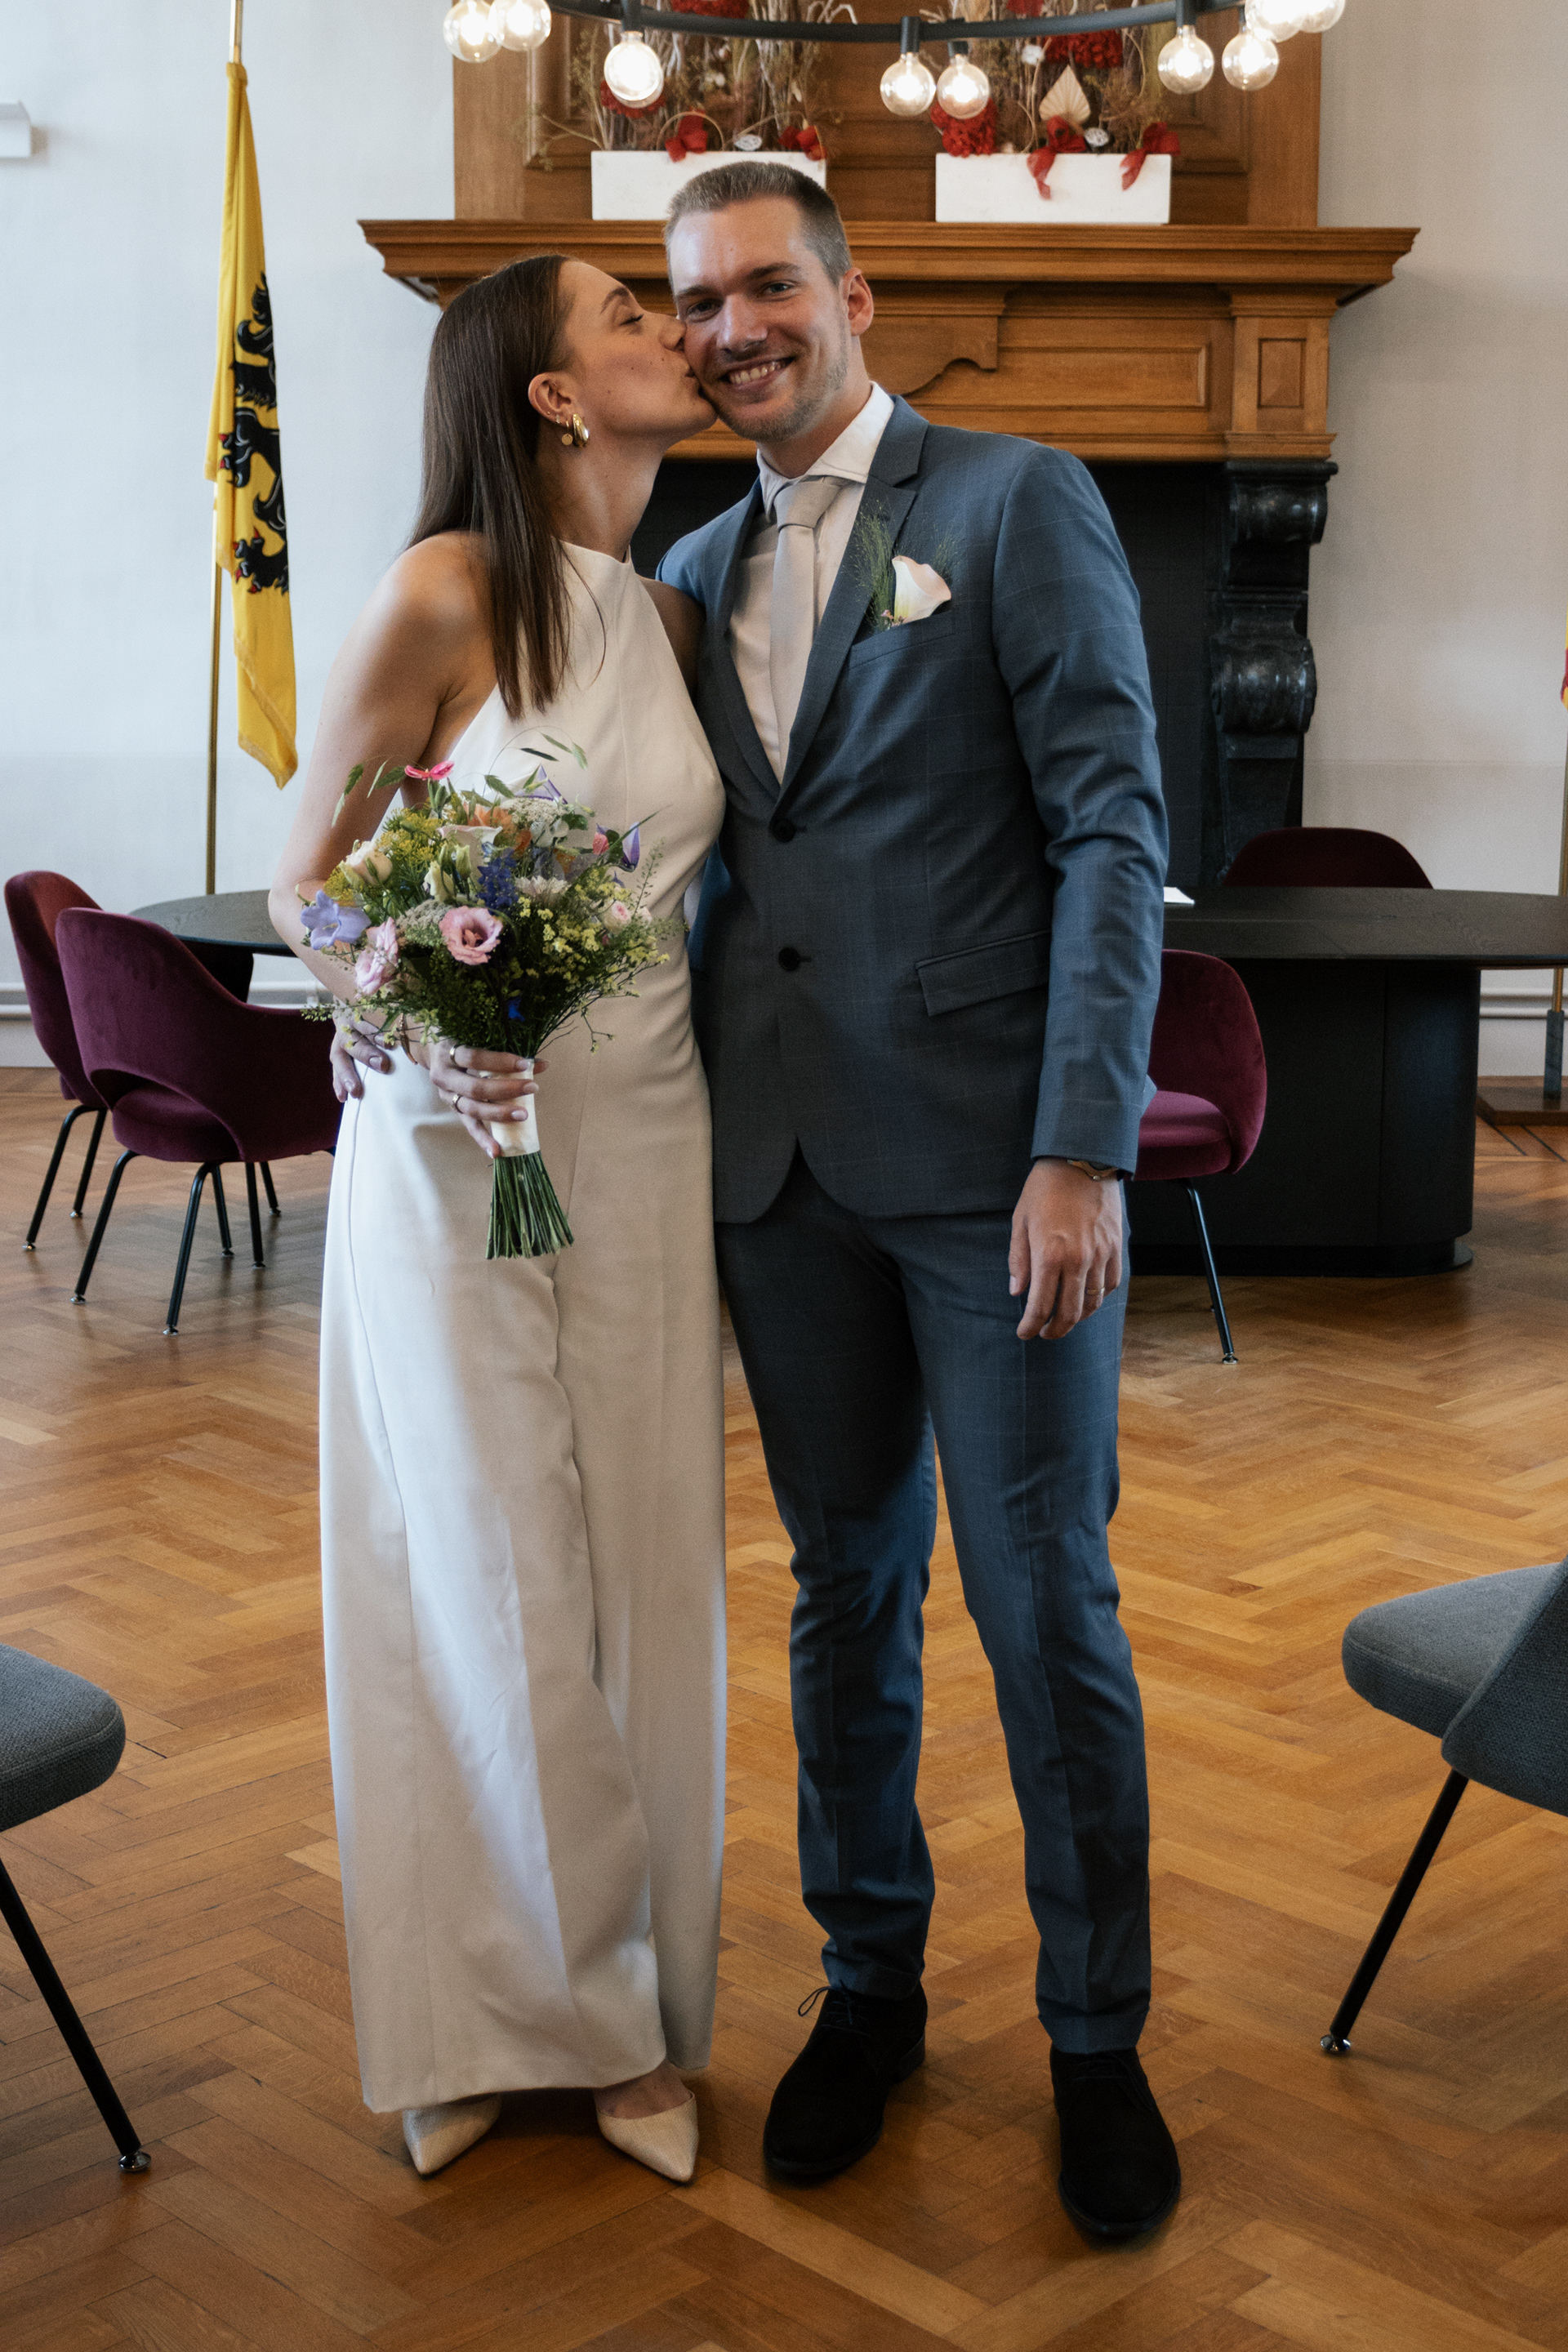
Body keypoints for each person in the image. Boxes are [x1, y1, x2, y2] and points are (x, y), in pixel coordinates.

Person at [657, 163, 1176, 2239]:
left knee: (1046, 1601)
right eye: (699, 302)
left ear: (854, 296)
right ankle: (868, 1985)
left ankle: (1096, 2038)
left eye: (767, 285)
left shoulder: (1016, 503)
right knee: (841, 1592)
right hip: (774, 1175)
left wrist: (1083, 1143)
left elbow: (1115, 828)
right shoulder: (686, 567)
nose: (732, 330)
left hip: (994, 1177)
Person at [270, 254, 727, 2185]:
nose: (674, 335)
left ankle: (641, 2003)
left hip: (650, 1130)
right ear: (549, 394)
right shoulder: (446, 590)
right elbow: (308, 879)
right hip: (458, 1138)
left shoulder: (674, 612)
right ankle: (496, 2018)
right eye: (630, 315)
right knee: (479, 1561)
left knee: (643, 1561)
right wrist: (419, 1015)